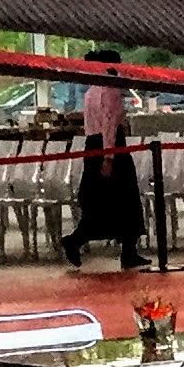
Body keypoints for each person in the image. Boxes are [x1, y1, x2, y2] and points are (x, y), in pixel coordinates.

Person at [62, 53, 145, 269]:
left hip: (92, 145)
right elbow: (109, 123)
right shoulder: (110, 90)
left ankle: (124, 249)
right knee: (124, 198)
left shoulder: (90, 92)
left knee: (98, 202)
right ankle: (124, 250)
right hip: (110, 145)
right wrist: (109, 156)